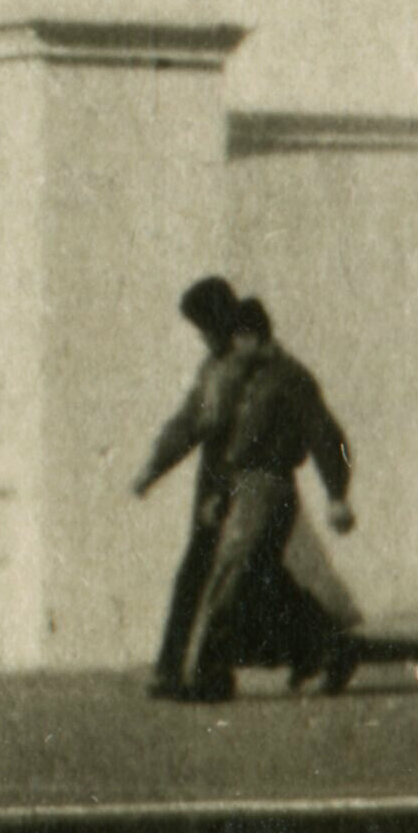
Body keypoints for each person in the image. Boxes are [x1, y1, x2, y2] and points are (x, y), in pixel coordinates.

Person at [134, 281, 358, 700]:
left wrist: (337, 495)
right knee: (245, 578)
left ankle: (209, 674)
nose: (206, 339)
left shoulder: (284, 376)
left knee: (236, 577)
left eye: (207, 329)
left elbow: (325, 435)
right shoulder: (221, 369)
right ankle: (323, 647)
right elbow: (191, 423)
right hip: (223, 486)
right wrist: (156, 466)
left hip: (264, 488)